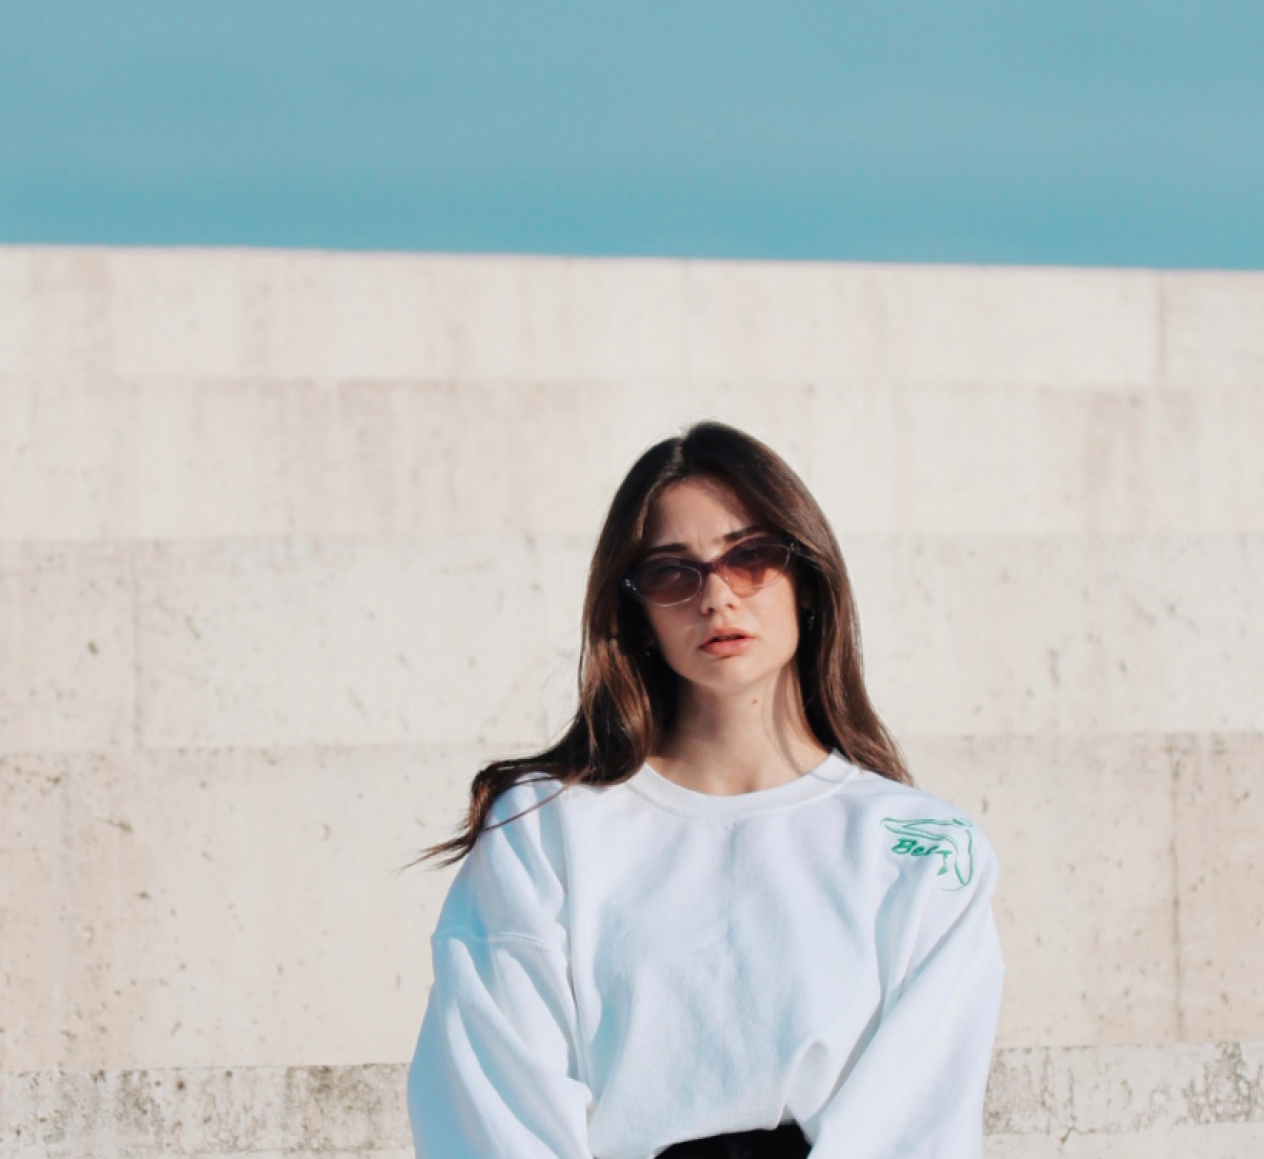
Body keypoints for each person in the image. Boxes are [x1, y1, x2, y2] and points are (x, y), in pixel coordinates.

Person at [406, 421, 1005, 1159]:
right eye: (671, 573)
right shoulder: (544, 826)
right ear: (636, 611)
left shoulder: (925, 849)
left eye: (751, 557)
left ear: (807, 578)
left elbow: (918, 1121)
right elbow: (495, 1102)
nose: (717, 597)